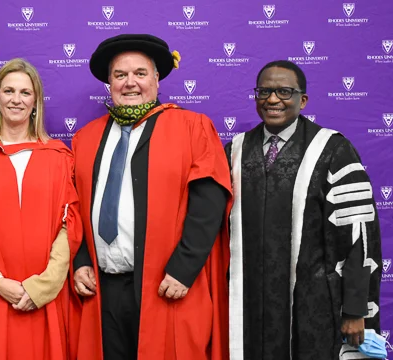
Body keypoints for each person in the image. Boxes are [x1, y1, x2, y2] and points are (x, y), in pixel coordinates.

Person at [71, 34, 232, 360]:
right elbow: (74, 208)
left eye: (140, 73)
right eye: (120, 75)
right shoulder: (85, 139)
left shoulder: (192, 127)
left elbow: (209, 203)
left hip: (166, 283)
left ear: (157, 78)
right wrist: (81, 260)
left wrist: (184, 270)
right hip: (104, 289)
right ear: (109, 82)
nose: (130, 83)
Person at [225, 60, 382, 360]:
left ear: (303, 100)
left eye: (284, 92)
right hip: (249, 302)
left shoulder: (333, 149)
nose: (273, 100)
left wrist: (355, 309)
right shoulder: (235, 150)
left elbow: (359, 236)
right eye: (264, 92)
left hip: (314, 303)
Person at [0, 58, 82, 360]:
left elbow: (69, 225)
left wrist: (42, 287)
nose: (16, 100)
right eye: (8, 91)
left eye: (25, 92)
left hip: (45, 296)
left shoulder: (59, 157)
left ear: (36, 101)